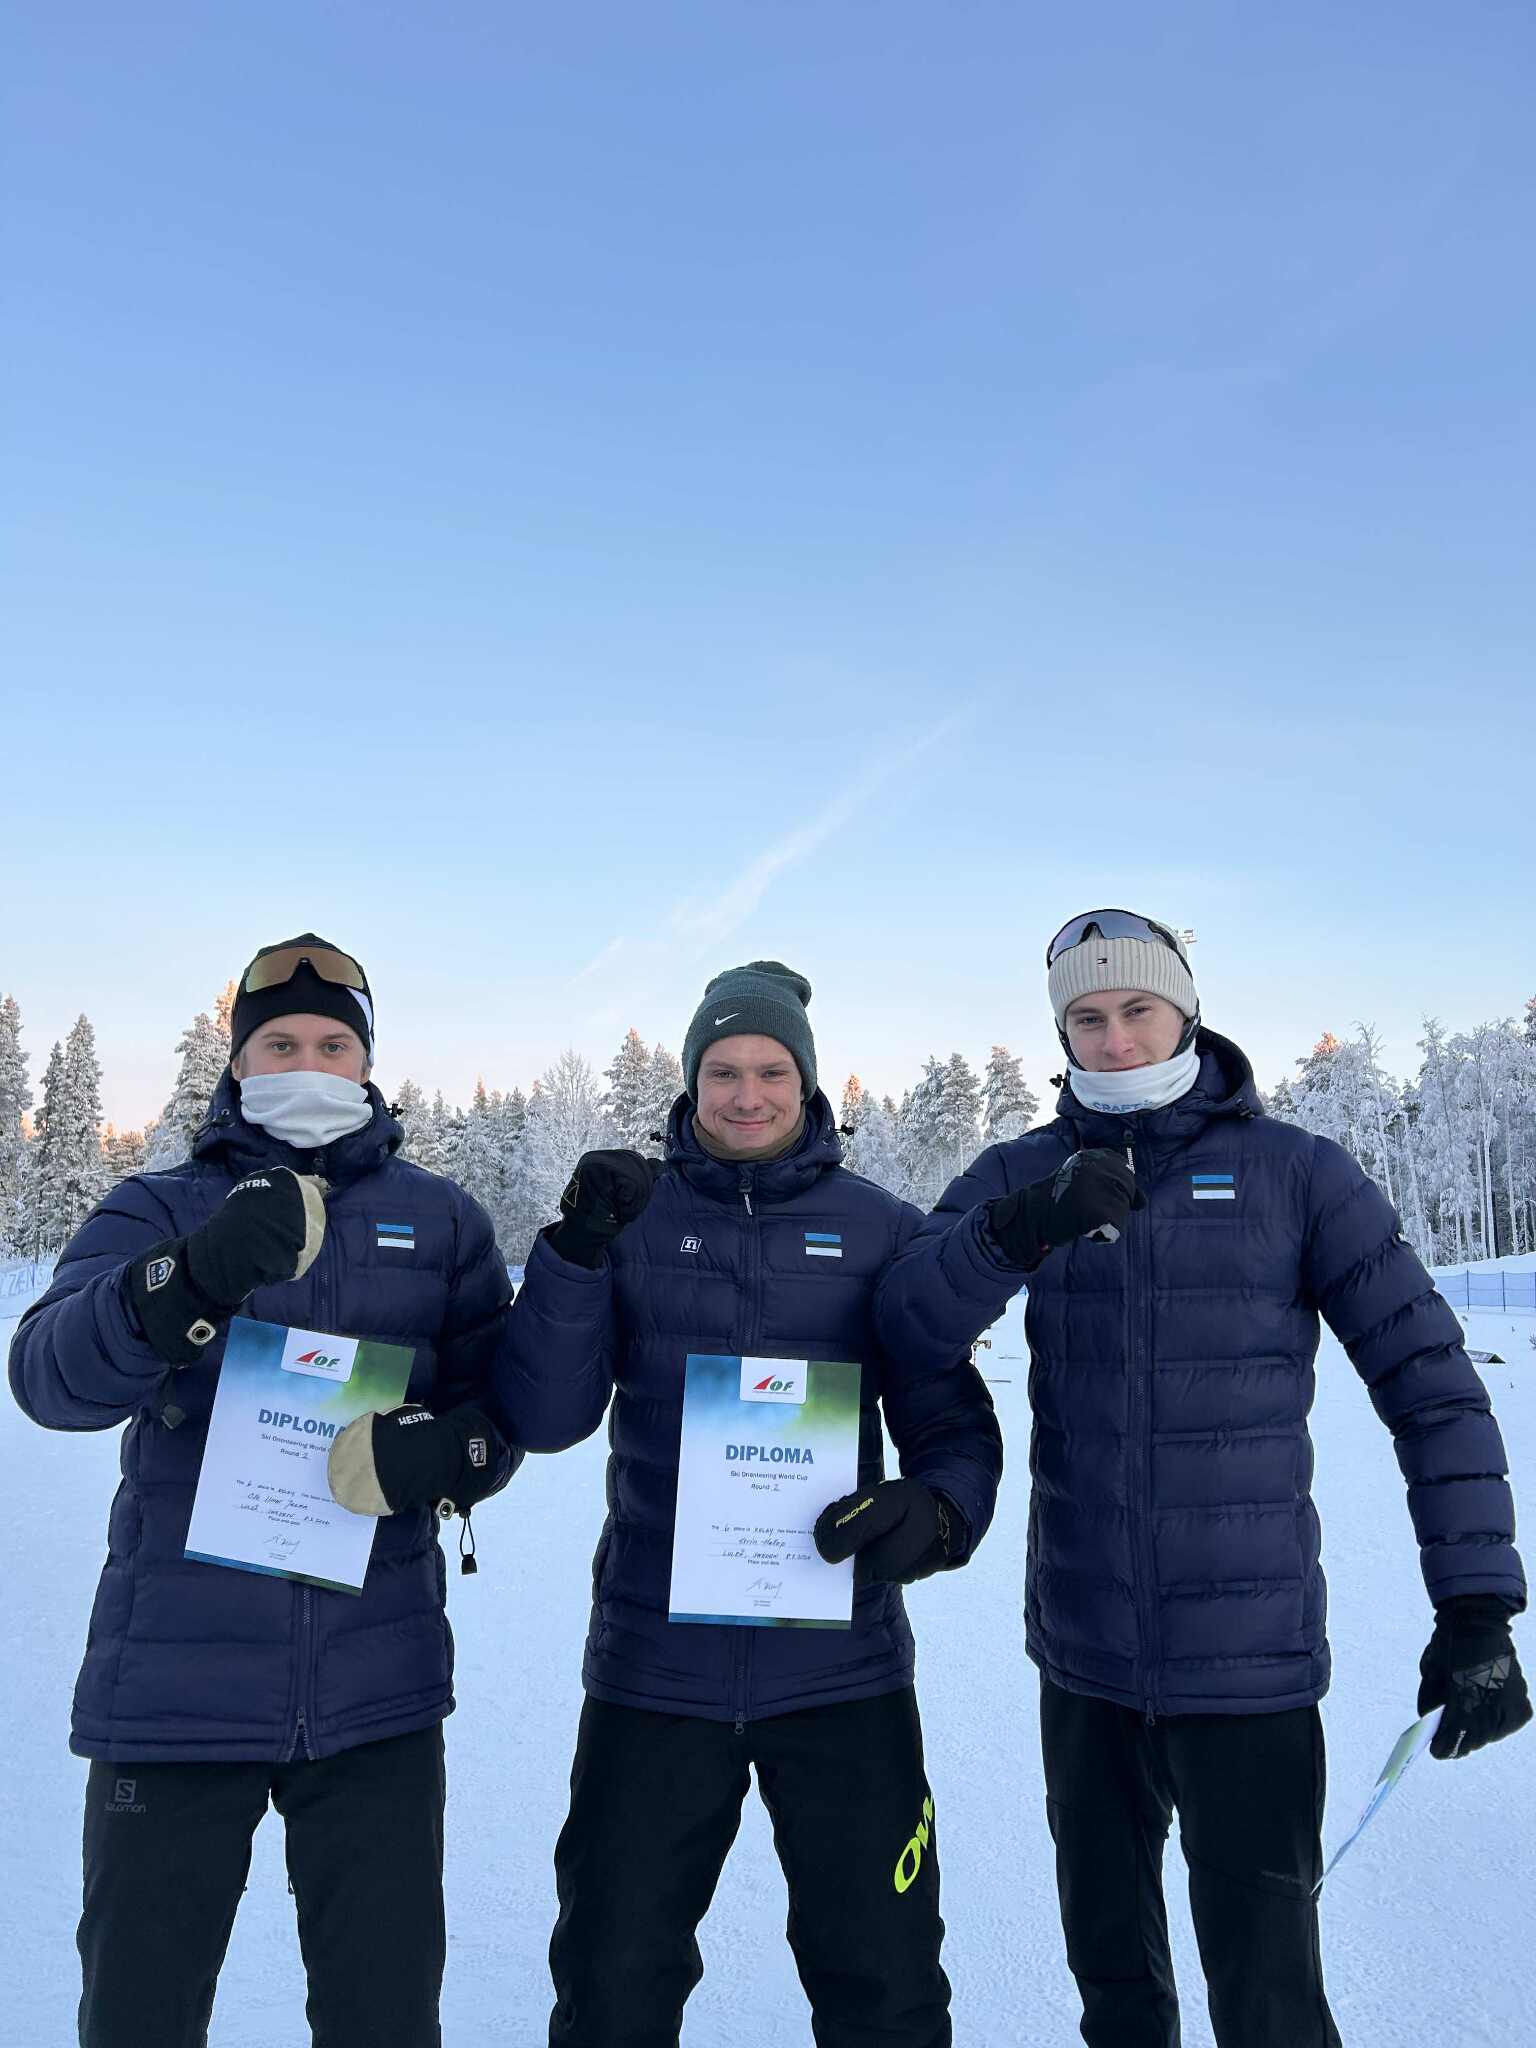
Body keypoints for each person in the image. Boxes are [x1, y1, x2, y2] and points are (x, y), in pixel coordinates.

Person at [874, 908, 1529, 2048]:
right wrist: (1018, 1229)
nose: (1116, 1038)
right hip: (1085, 1660)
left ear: (1185, 1009)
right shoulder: (1020, 1168)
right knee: (1116, 1987)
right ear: (1062, 1030)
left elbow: (1430, 1381)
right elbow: (907, 1320)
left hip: (1251, 1668)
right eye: (1088, 1016)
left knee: (1268, 1996)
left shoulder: (1296, 1174)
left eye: (1137, 1008)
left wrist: (1476, 1605)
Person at [8, 934, 520, 2048]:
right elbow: (47, 1375)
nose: (308, 1061)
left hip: (376, 1695)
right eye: (279, 1041)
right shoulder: (157, 1201)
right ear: (240, 1061)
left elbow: (498, 1408)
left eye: (334, 1042)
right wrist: (185, 1276)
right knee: (140, 2015)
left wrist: (451, 1455)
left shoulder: (442, 1220)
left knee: (383, 2016)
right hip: (172, 1693)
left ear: (368, 1060)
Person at [498, 959, 1003, 2048]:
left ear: (808, 1082)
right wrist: (577, 1252)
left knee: (886, 1983)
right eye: (721, 1070)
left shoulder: (880, 1227)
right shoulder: (632, 1214)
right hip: (653, 1666)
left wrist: (936, 1513)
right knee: (611, 1981)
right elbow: (545, 1413)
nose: (746, 1094)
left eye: (772, 1069)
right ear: (689, 1082)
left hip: (843, 1672)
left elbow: (952, 1424)